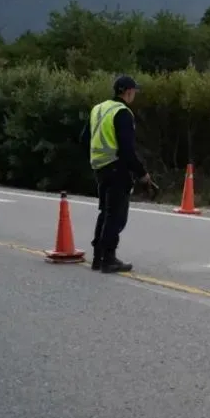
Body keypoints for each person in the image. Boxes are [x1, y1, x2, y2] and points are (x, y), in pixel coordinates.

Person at [79, 75, 150, 273]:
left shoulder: (98, 109)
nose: (135, 94)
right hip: (117, 167)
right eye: (134, 91)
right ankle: (108, 259)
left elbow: (84, 139)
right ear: (127, 91)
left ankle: (98, 258)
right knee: (117, 216)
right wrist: (142, 173)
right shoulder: (123, 113)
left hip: (99, 167)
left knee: (106, 212)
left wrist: (97, 157)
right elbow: (127, 150)